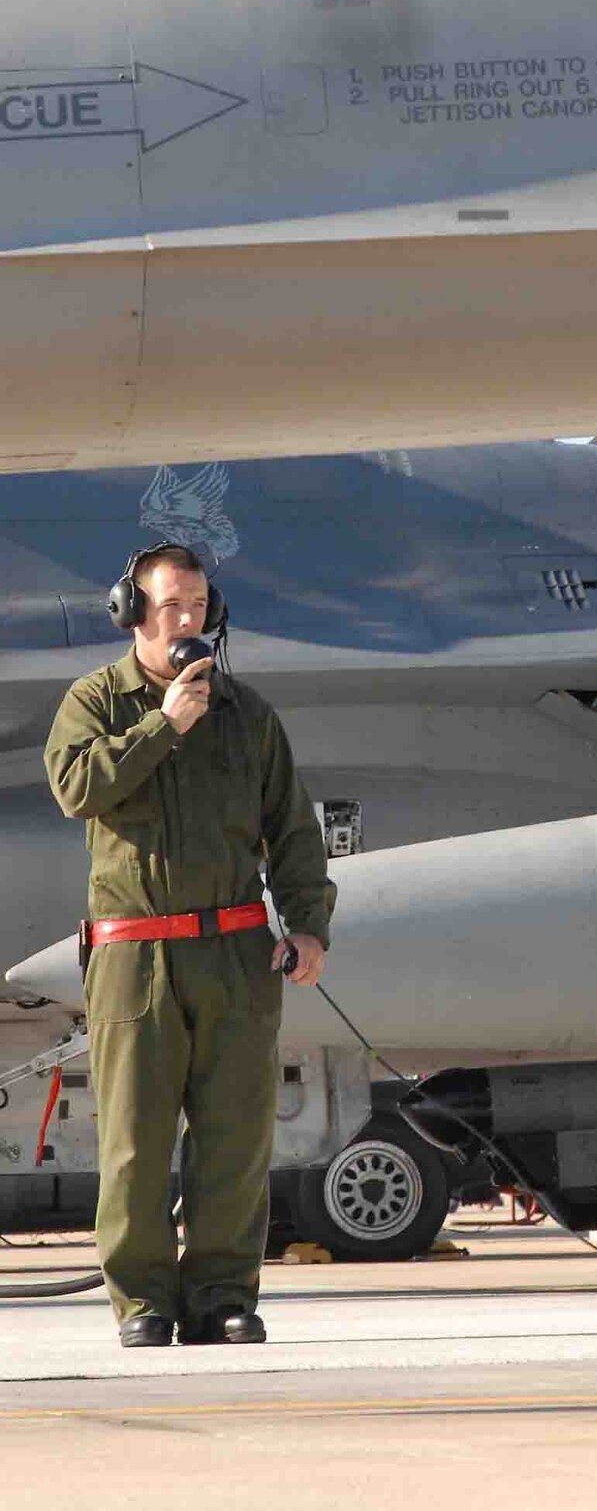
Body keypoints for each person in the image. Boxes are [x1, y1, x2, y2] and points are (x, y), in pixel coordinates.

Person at [43, 544, 334, 1349]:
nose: (188, 621)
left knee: (235, 1138)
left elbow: (292, 829)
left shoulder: (246, 714)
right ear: (131, 614)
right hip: (134, 957)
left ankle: (221, 1297)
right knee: (134, 1141)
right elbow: (77, 790)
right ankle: (142, 1302)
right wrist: (162, 725)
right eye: (171, 606)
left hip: (234, 954)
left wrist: (306, 925)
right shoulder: (95, 702)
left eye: (200, 606)